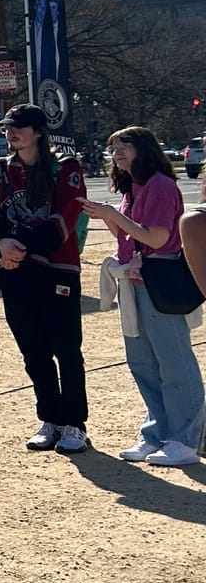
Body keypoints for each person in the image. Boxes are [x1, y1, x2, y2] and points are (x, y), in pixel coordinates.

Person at [85, 127, 203, 465]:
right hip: (133, 280)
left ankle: (185, 439)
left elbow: (156, 237)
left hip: (158, 278)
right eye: (113, 146)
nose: (117, 152)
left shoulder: (161, 186)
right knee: (143, 363)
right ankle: (157, 433)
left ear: (144, 149)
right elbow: (127, 236)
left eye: (125, 145)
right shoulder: (131, 187)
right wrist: (109, 216)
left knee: (174, 361)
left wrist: (112, 215)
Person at [0, 104, 90, 452]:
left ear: (38, 132)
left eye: (19, 127)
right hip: (14, 273)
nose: (11, 134)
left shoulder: (66, 169)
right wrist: (0, 244)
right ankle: (50, 419)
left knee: (66, 349)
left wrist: (16, 246)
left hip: (57, 271)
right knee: (33, 351)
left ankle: (75, 424)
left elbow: (62, 222)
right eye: (6, 128)